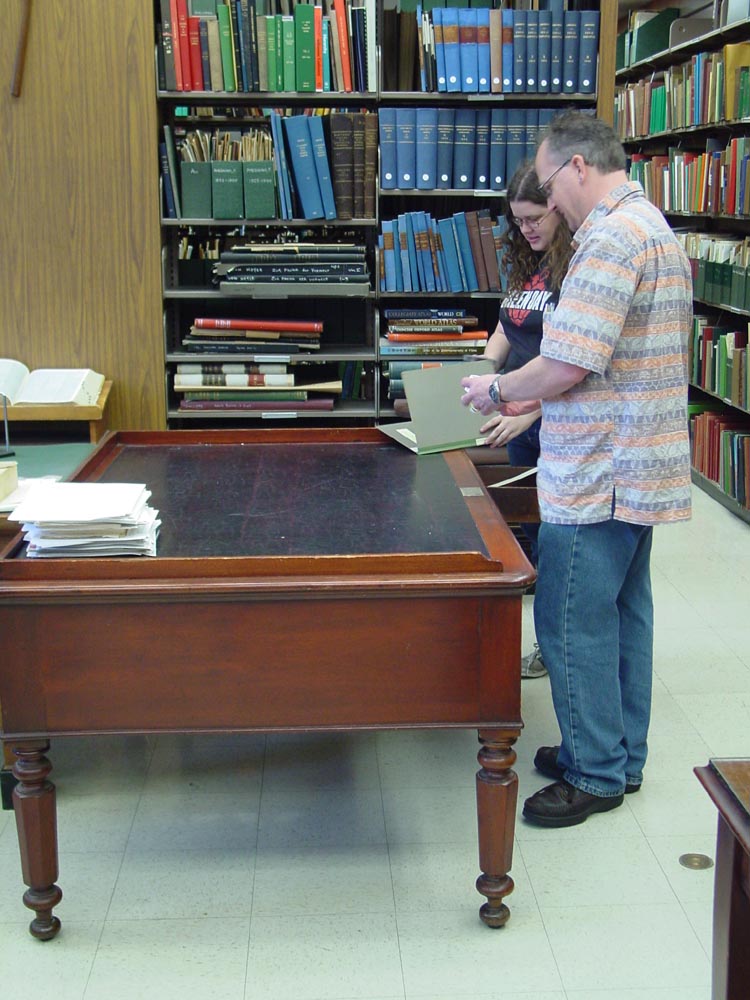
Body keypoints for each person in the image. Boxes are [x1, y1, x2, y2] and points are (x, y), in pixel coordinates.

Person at [461, 110, 693, 827]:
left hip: (599, 473)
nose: (549, 203)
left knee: (570, 622)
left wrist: (495, 390)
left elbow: (566, 363)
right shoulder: (650, 224)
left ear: (576, 169)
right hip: (639, 464)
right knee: (624, 615)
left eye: (551, 183)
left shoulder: (608, 241)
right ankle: (618, 754)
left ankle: (594, 770)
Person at [480, 160, 572, 678]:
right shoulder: (523, 259)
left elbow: (571, 365)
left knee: (555, 541)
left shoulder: (575, 263)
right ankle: (539, 632)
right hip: (513, 404)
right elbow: (506, 324)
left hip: (547, 412)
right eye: (518, 221)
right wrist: (481, 371)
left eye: (535, 217)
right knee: (528, 529)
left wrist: (529, 411)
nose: (528, 229)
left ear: (557, 207)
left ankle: (551, 647)